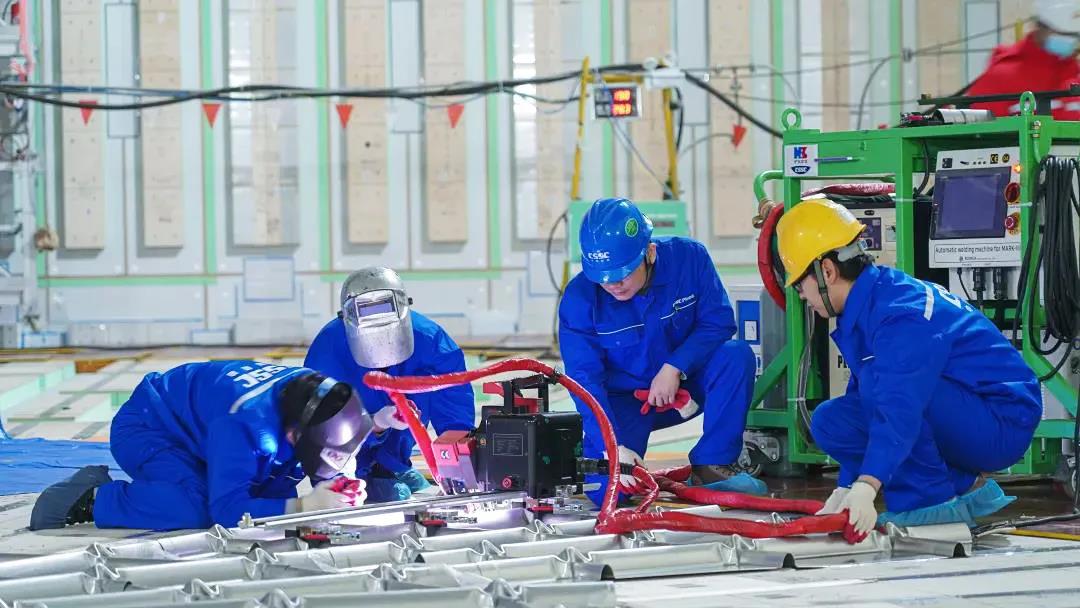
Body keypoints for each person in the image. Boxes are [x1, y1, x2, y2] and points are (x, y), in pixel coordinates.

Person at [775, 199, 1042, 534]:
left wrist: (868, 485)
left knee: (884, 391)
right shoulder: (871, 303)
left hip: (1001, 421)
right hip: (962, 408)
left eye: (800, 284)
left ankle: (930, 505)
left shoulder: (900, 313)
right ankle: (961, 485)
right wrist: (847, 485)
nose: (800, 295)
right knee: (831, 420)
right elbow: (865, 403)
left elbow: (898, 404)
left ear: (827, 271)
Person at [558, 197, 763, 506]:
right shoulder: (580, 299)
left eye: (623, 273)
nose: (613, 284)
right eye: (603, 277)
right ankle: (616, 459)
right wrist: (610, 445)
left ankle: (713, 463)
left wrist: (675, 367)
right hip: (624, 403)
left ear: (650, 252)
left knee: (735, 356)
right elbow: (584, 380)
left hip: (685, 389)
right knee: (608, 491)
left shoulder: (690, 259)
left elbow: (718, 322)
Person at [29, 360, 376, 531]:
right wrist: (304, 506)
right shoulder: (247, 425)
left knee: (269, 500)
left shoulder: (317, 397)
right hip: (149, 427)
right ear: (293, 436)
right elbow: (226, 510)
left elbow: (318, 441)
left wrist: (338, 485)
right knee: (200, 509)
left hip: (204, 430)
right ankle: (92, 498)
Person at [305, 267, 475, 503]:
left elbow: (454, 409)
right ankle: (367, 475)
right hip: (349, 456)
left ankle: (391, 468)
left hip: (397, 456)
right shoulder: (327, 353)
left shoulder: (432, 342)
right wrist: (338, 485)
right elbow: (321, 434)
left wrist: (458, 469)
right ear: (347, 317)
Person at [966, 0, 1080, 119]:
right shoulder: (1001, 77)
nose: (1074, 43)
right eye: (1067, 35)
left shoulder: (1074, 72)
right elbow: (982, 129)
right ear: (1040, 28)